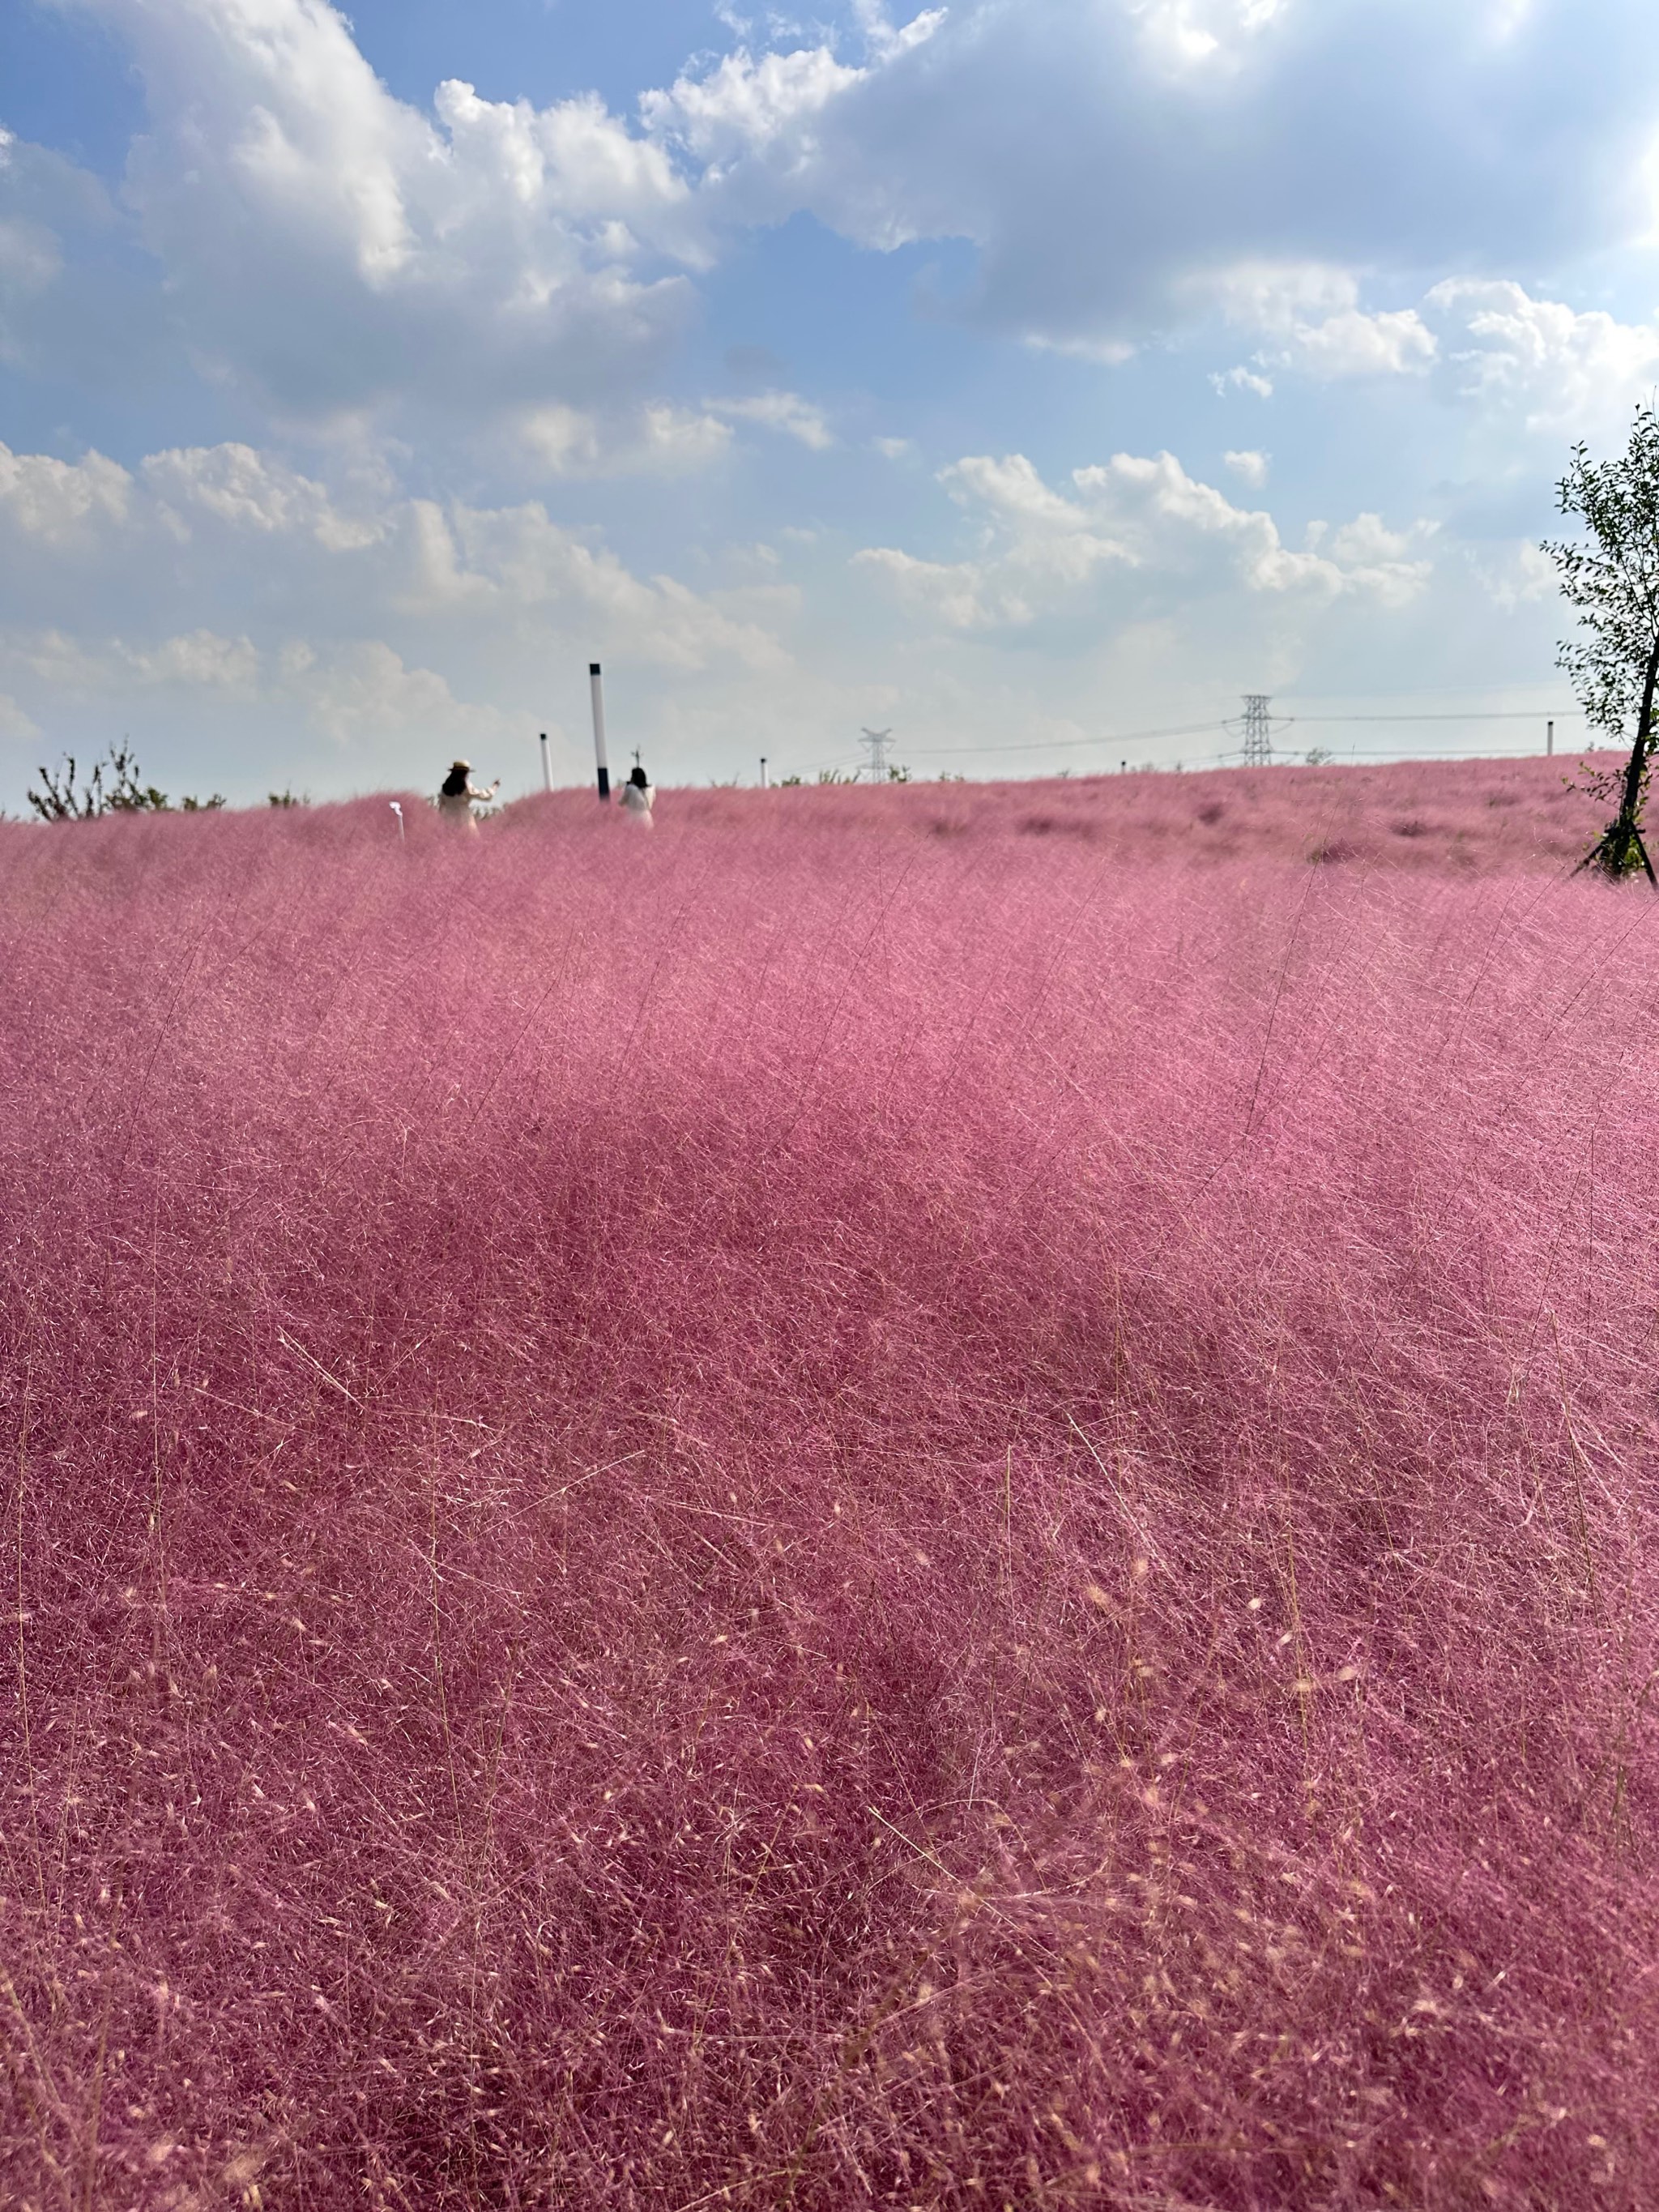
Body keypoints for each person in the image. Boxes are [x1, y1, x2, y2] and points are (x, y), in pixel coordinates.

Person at [437, 758, 497, 833]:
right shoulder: (466, 787)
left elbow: (441, 807)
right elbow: (486, 796)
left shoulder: (445, 787)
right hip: (464, 821)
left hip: (448, 821)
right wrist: (494, 788)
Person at [619, 762, 655, 828]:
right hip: (647, 819)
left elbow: (621, 803)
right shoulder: (651, 789)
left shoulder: (630, 788)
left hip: (633, 818)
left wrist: (625, 788)